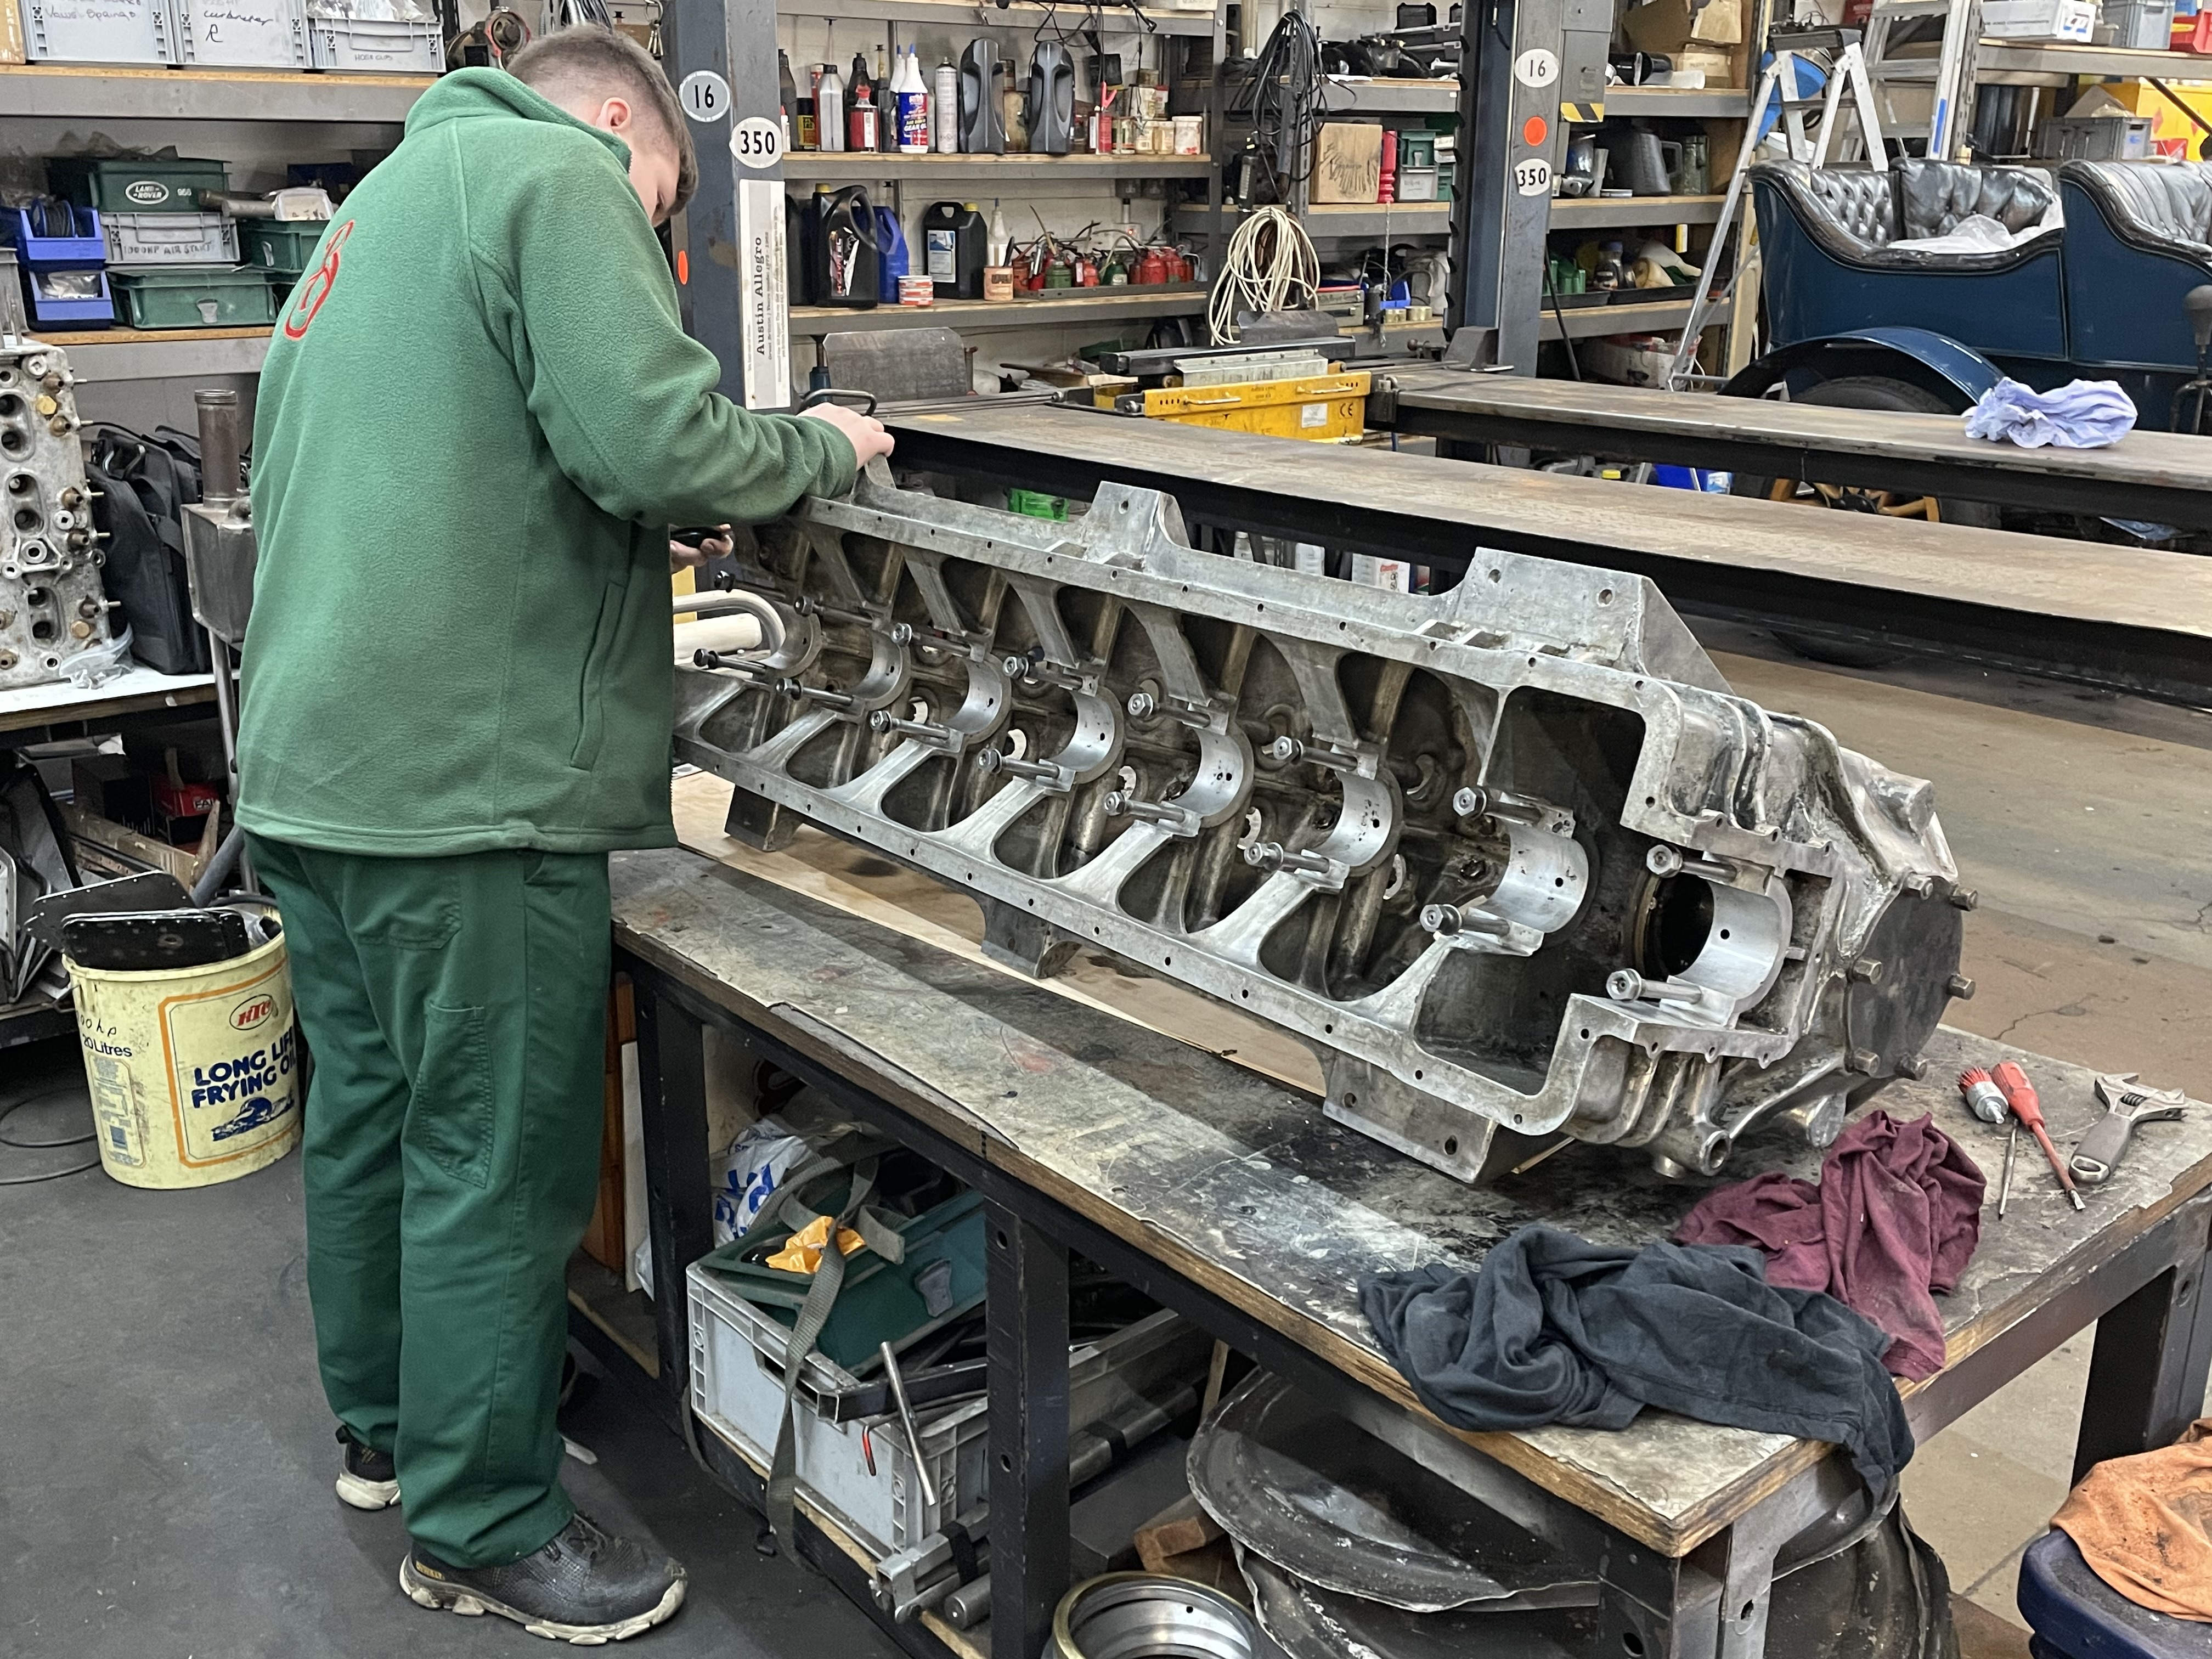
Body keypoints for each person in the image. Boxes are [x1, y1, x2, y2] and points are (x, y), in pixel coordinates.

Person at [235, 27, 893, 1642]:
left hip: (318, 778)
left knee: (376, 1126)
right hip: (466, 792)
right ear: (621, 121)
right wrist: (822, 445)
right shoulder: (559, 170)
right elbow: (653, 441)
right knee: (495, 1162)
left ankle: (394, 1436)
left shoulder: (381, 204)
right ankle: (484, 1523)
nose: (656, 233)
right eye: (665, 200)